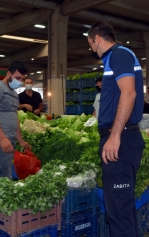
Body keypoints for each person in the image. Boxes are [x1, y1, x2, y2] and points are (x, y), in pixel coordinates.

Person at [87, 21, 144, 237]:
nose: (91, 49)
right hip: (122, 138)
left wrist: (115, 135)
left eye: (90, 44)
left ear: (97, 38)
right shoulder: (115, 58)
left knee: (118, 211)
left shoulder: (119, 54)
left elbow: (129, 94)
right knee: (121, 208)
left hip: (122, 139)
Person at [0, 61, 31, 186]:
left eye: (22, 79)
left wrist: (20, 140)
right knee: (3, 176)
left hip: (8, 138)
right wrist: (2, 138)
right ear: (8, 73)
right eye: (17, 78)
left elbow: (14, 116)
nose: (20, 81)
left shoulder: (14, 94)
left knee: (2, 172)